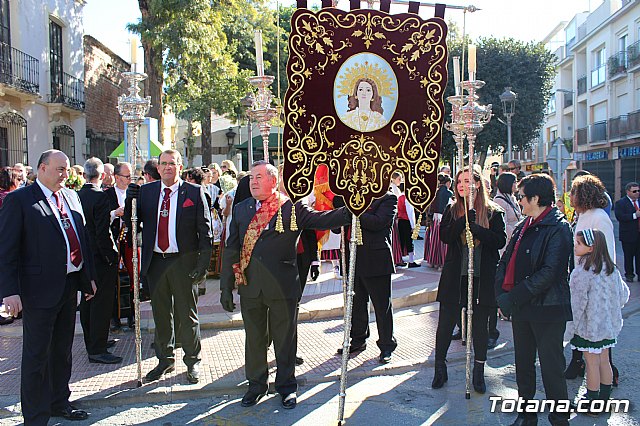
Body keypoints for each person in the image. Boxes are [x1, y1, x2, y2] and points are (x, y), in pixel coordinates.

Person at [220, 160, 350, 410]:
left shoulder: (291, 207)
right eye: (251, 178)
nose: (253, 182)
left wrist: (350, 210)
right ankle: (256, 385)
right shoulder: (242, 209)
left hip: (282, 285)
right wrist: (226, 286)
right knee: (255, 339)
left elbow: (322, 220)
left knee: (285, 340)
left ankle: (287, 386)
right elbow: (232, 248)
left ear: (273, 180)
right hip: (251, 287)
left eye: (259, 177)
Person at [0, 149, 96, 424]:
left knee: (63, 350)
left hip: (68, 285)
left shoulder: (70, 196)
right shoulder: (19, 200)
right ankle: (35, 415)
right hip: (37, 290)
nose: (66, 175)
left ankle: (58, 402)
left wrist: (86, 277)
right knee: (36, 355)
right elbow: (6, 250)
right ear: (42, 169)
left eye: (67, 169)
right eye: (60, 169)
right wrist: (9, 291)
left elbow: (81, 237)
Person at [126, 149, 212, 384]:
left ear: (180, 167)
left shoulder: (193, 192)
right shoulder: (147, 192)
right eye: (163, 164)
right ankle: (165, 360)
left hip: (182, 263)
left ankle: (193, 361)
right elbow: (131, 223)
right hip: (156, 263)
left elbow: (206, 232)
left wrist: (203, 265)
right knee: (161, 314)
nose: (167, 168)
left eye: (171, 164)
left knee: (187, 314)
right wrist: (129, 199)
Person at [495, 173, 572, 426]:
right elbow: (506, 260)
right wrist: (501, 293)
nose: (519, 201)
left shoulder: (558, 227)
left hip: (548, 309)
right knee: (523, 365)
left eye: (522, 197)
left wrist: (513, 297)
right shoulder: (523, 225)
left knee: (551, 369)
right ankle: (526, 415)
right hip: (523, 307)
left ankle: (559, 419)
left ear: (535, 198)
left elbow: (550, 272)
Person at [431, 167, 506, 394]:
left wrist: (477, 229)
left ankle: (479, 371)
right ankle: (439, 367)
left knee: (480, 327)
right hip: (456, 276)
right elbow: (444, 237)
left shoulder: (494, 211)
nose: (462, 185)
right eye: (459, 181)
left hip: (482, 278)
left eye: (467, 181)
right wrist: (462, 221)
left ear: (477, 184)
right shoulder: (452, 209)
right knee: (445, 324)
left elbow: (499, 241)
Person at [566, 229, 629, 414]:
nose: (575, 246)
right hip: (608, 327)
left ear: (591, 247)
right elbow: (624, 295)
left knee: (591, 363)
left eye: (578, 243)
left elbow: (576, 305)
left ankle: (592, 401)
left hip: (589, 328)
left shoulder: (582, 272)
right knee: (604, 361)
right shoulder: (611, 269)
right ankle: (604, 398)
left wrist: (570, 329)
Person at [564, 174, 618, 382]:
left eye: (574, 191)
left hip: (596, 284)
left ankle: (605, 378)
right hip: (583, 279)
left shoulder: (599, 217)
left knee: (599, 335)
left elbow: (607, 254)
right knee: (583, 330)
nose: (570, 195)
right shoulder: (584, 215)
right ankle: (579, 364)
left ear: (584, 194)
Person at [336, 191, 398, 363]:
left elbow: (377, 222)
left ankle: (386, 345)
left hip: (376, 260)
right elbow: (336, 228)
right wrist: (339, 206)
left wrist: (353, 209)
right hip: (353, 258)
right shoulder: (350, 197)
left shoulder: (387, 198)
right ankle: (358, 339)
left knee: (381, 306)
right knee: (356, 303)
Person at [78, 157, 122, 364]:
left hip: (84, 257)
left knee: (87, 301)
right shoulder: (101, 197)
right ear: (103, 176)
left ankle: (95, 341)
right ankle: (97, 348)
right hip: (100, 258)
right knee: (101, 303)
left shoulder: (77, 196)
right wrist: (112, 256)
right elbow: (103, 232)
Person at [105, 162, 138, 329]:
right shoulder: (107, 194)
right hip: (113, 241)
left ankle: (132, 315)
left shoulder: (134, 193)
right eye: (126, 176)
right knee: (113, 280)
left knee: (132, 279)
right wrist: (114, 213)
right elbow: (102, 217)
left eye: (131, 176)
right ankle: (114, 317)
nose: (129, 179)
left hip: (129, 242)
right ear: (116, 177)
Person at [424, 173, 452, 269]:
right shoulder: (448, 193)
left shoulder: (435, 192)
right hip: (443, 218)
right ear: (448, 183)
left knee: (434, 241)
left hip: (434, 218)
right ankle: (441, 262)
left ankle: (433, 261)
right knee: (442, 242)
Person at [614, 181, 640, 283]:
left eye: (638, 191)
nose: (637, 193)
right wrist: (635, 215)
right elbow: (620, 217)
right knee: (628, 256)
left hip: (638, 234)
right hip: (628, 235)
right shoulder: (621, 203)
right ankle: (629, 274)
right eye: (634, 191)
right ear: (628, 192)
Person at [396, 183, 419, 267]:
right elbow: (410, 213)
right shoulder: (407, 198)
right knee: (409, 241)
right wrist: (413, 226)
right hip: (406, 221)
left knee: (402, 240)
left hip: (400, 220)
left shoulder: (399, 197)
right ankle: (411, 261)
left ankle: (399, 259)